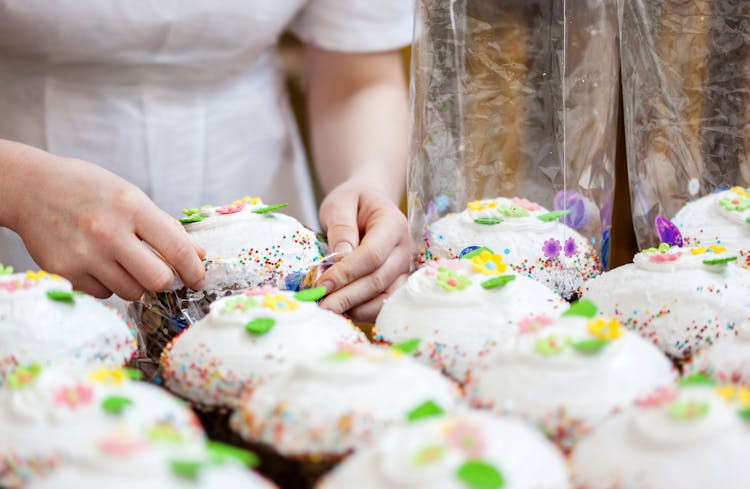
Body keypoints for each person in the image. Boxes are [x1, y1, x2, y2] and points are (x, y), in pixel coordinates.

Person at [0, 1, 413, 322]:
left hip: (253, 184)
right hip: (24, 210)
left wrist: (369, 180)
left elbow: (359, 80)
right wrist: (18, 186)